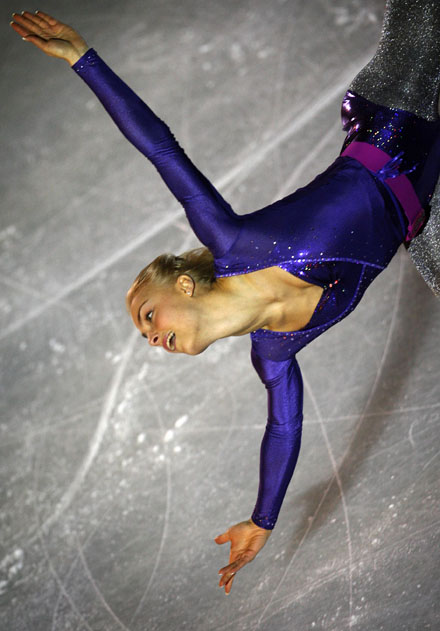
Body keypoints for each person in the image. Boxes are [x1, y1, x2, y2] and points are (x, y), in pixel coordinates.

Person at [10, 1, 440, 596]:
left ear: (183, 283)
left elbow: (160, 148)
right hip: (430, 209)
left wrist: (83, 59)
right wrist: (262, 521)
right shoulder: (274, 353)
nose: (152, 337)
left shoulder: (234, 240)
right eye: (147, 337)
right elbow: (284, 431)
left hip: (403, 110)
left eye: (149, 316)